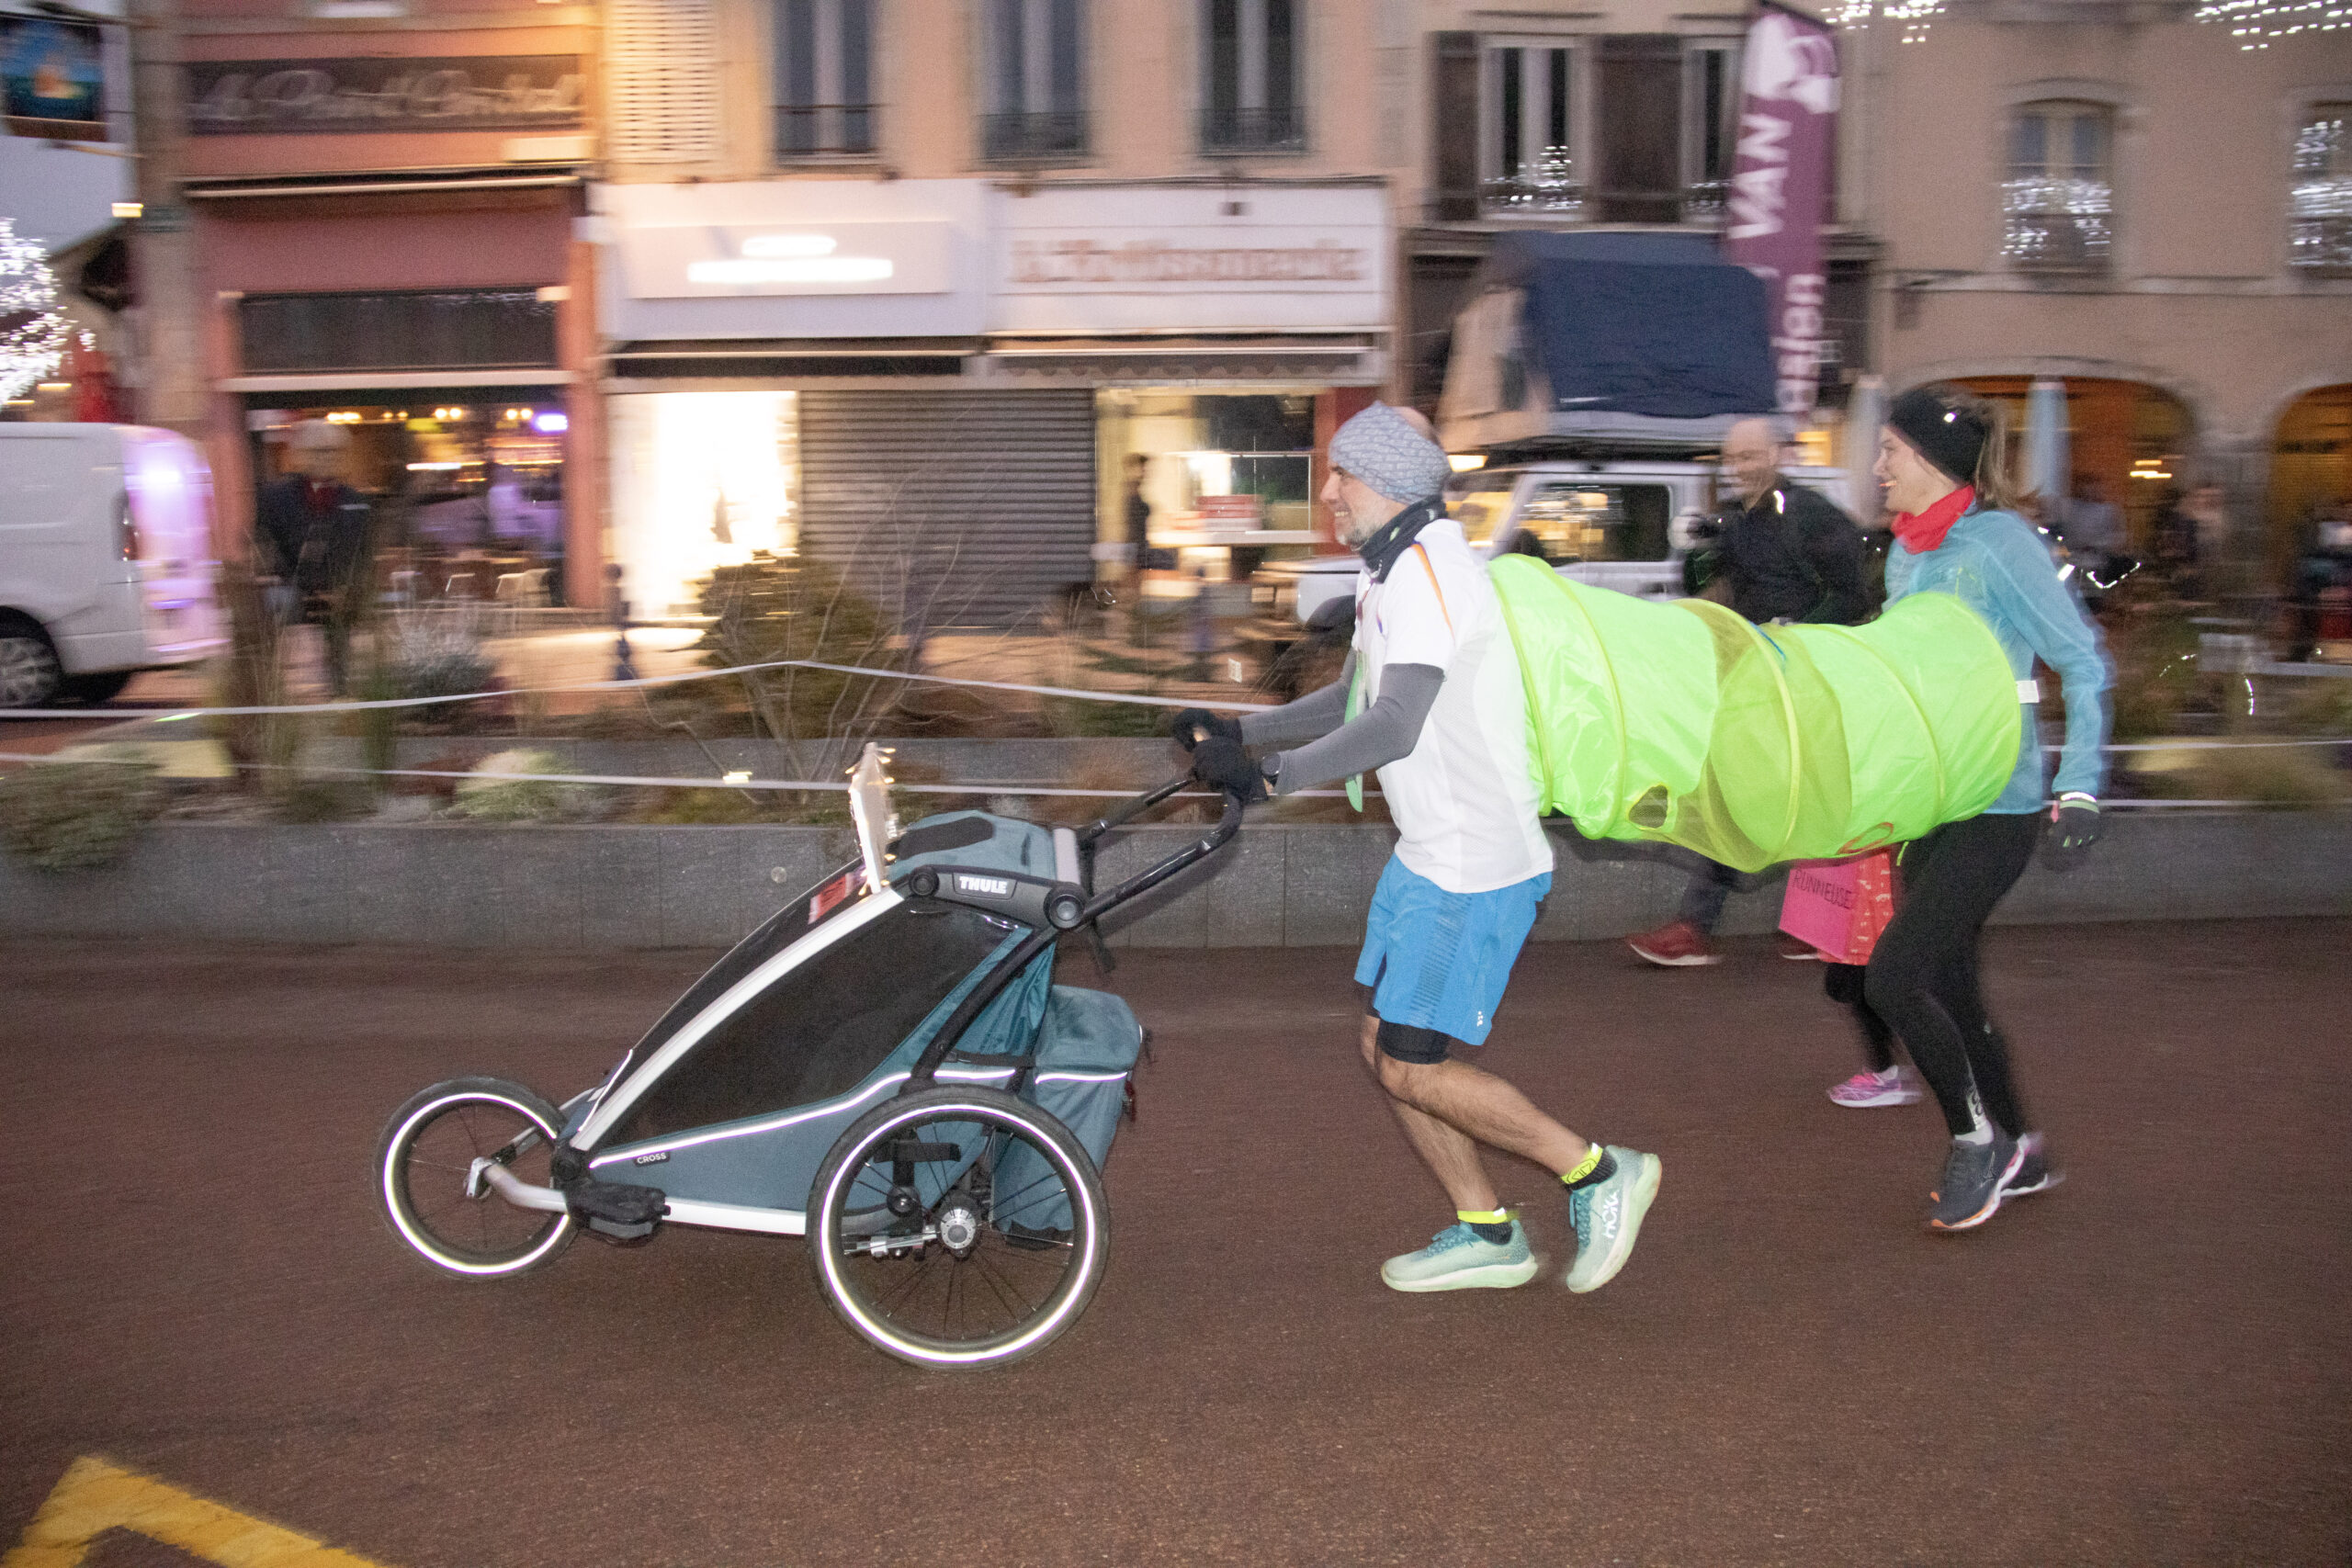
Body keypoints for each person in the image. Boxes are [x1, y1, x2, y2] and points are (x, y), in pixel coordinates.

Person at [1175, 402, 1661, 1296]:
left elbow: (1393, 725)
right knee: (1384, 1047)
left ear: (1391, 484)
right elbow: (1355, 699)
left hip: (1475, 866)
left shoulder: (1429, 571)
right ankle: (1489, 1231)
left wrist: (1275, 779)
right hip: (1432, 856)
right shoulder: (1392, 567)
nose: (1328, 490)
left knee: (1410, 1061)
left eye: (1343, 475)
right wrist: (1240, 733)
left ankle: (1597, 1172)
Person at [1867, 383, 2111, 1232]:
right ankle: (2025, 1147)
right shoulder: (1907, 551)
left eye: (1890, 451)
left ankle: (1976, 1141)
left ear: (1932, 459)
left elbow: (2081, 661)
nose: (1877, 466)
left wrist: (2080, 781)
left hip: (1999, 804)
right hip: (1929, 802)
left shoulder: (2000, 544)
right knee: (1951, 985)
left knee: (1892, 977)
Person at [1626, 415, 1872, 969]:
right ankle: (1758, 923)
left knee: (1773, 792)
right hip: (1756, 678)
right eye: (1731, 458)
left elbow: (1853, 594)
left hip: (1802, 681)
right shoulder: (1738, 520)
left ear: (1778, 454)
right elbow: (1722, 587)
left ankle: (1715, 925)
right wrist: (1694, 585)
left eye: (1749, 456)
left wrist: (1798, 635)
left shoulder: (1812, 515)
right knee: (1752, 788)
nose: (1737, 468)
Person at [254, 419, 374, 694]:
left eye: (335, 451)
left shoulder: (357, 502)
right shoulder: (275, 499)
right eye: (320, 451)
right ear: (302, 455)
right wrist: (305, 585)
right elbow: (265, 549)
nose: (329, 458)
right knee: (273, 602)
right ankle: (272, 689)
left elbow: (361, 556)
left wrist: (343, 588)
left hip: (337, 591)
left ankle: (338, 690)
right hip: (291, 588)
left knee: (343, 612)